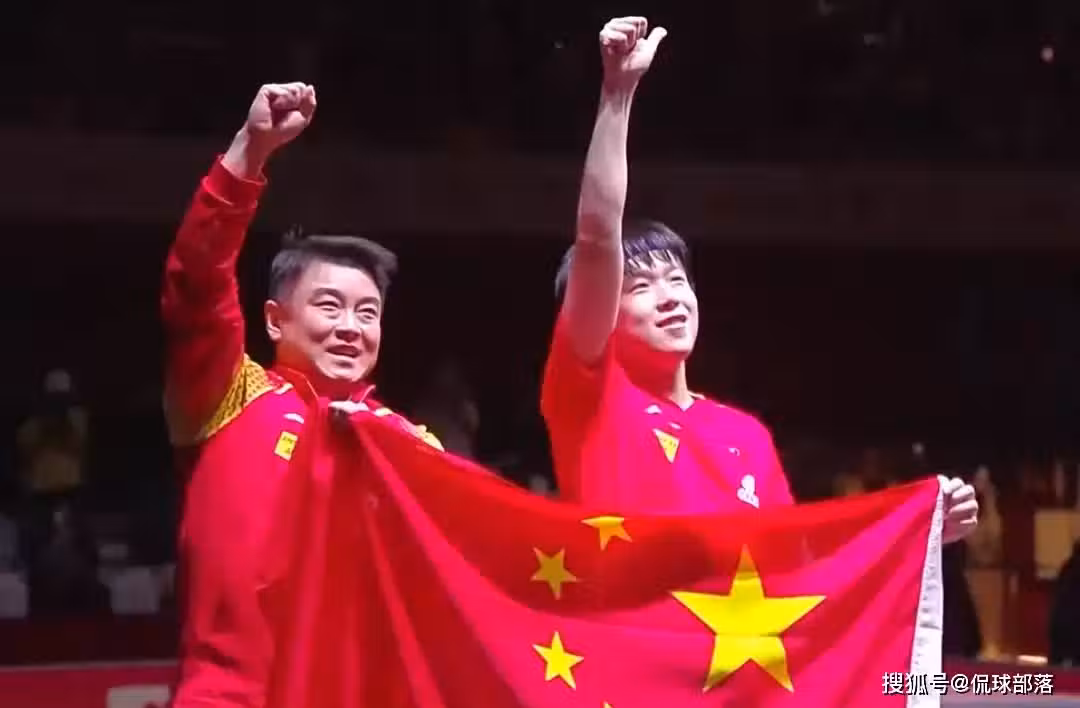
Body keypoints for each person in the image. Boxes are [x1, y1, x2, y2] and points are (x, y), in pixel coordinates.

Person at [542, 17, 979, 542]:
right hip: (628, 603)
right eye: (640, 287)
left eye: (677, 280)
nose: (670, 298)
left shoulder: (745, 435)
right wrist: (617, 96)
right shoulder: (590, 400)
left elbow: (797, 567)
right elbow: (596, 238)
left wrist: (916, 537)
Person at [162, 82, 441, 707]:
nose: (351, 327)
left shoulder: (412, 445)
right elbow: (196, 281)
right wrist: (251, 150)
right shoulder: (230, 396)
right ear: (274, 319)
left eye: (367, 313)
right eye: (329, 306)